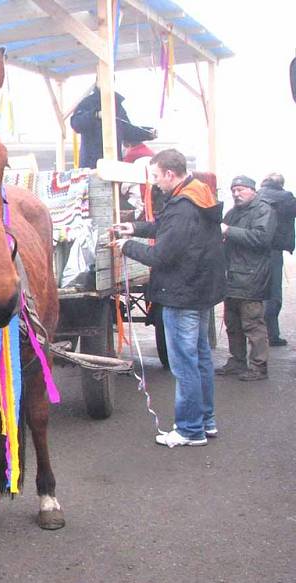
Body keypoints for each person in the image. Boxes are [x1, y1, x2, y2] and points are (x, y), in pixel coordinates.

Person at [113, 148, 225, 447]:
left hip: (182, 294)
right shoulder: (197, 195)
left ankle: (189, 430)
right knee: (200, 360)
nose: (155, 183)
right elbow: (167, 228)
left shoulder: (183, 205)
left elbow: (161, 254)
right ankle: (206, 422)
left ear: (170, 174)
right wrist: (135, 227)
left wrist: (127, 246)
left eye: (155, 176)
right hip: (199, 292)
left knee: (185, 365)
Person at [215, 175, 277, 381]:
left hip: (252, 277)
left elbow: (261, 238)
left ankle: (259, 367)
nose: (236, 193)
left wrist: (228, 230)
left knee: (252, 324)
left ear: (253, 190)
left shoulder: (263, 210)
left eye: (240, 189)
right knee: (232, 322)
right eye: (233, 190)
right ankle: (237, 361)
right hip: (231, 277)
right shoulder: (234, 212)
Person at [256, 173, 296, 346]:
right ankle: (271, 335)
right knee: (273, 293)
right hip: (274, 250)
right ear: (281, 184)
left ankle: (259, 333)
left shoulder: (256, 195)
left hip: (255, 247)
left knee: (257, 291)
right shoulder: (287, 198)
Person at [70, 86, 129, 168]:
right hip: (91, 164)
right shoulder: (87, 103)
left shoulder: (118, 106)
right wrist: (95, 114)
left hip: (114, 164)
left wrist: (147, 133)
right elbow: (76, 124)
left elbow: (127, 129)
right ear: (97, 82)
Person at [120, 123, 157, 219]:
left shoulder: (132, 157)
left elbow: (123, 189)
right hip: (152, 201)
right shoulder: (151, 154)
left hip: (139, 205)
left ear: (127, 145)